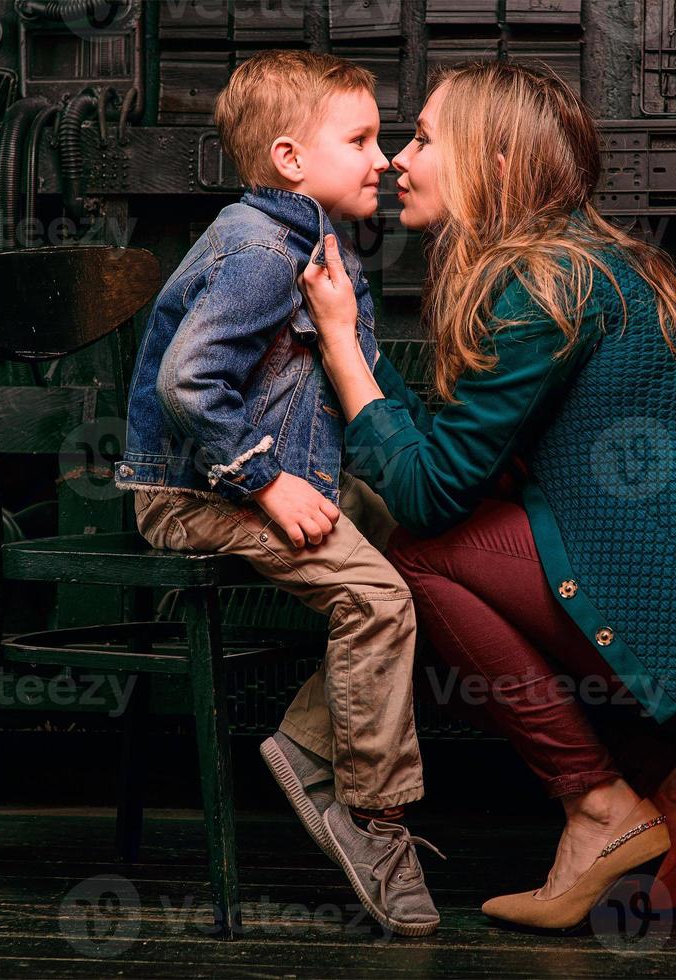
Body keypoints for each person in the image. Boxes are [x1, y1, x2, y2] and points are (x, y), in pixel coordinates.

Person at [298, 60, 676, 931]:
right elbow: (445, 462)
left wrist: (338, 346)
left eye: (426, 139)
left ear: (496, 163)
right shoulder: (570, 262)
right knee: (483, 574)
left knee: (423, 561)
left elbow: (430, 496)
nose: (401, 159)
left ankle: (598, 809)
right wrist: (361, 346)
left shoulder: (544, 289)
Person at [115, 50, 442, 937]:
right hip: (198, 495)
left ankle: (306, 742)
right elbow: (190, 385)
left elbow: (356, 380)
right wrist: (264, 482)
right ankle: (371, 817)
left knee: (427, 560)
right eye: (362, 137)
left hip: (263, 478)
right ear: (292, 159)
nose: (384, 157)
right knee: (378, 601)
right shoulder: (261, 250)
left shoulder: (310, 240)